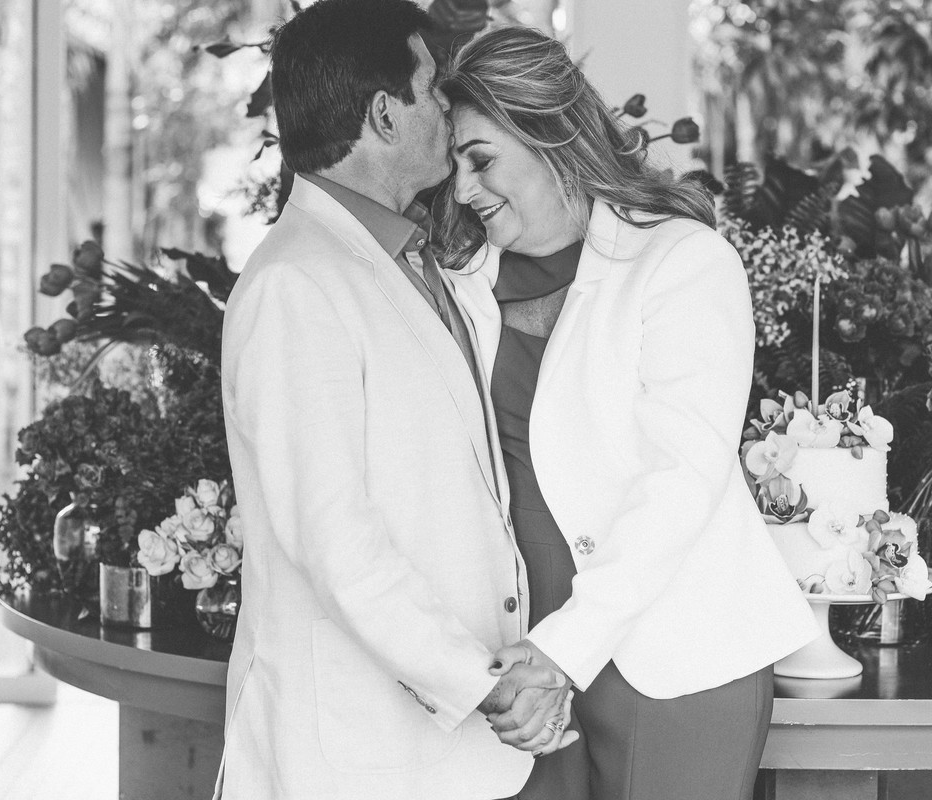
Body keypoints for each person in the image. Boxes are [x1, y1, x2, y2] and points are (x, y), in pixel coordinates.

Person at [437, 27, 819, 800]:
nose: (464, 190)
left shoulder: (682, 261)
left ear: (548, 132)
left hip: (671, 660)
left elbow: (683, 476)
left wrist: (565, 649)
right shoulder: (458, 282)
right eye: (452, 167)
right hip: (517, 665)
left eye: (480, 160)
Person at [215, 3, 573, 798]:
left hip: (432, 751)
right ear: (384, 114)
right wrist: (482, 682)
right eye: (433, 90)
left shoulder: (406, 260)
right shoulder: (295, 285)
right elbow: (334, 539)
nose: (448, 108)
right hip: (353, 753)